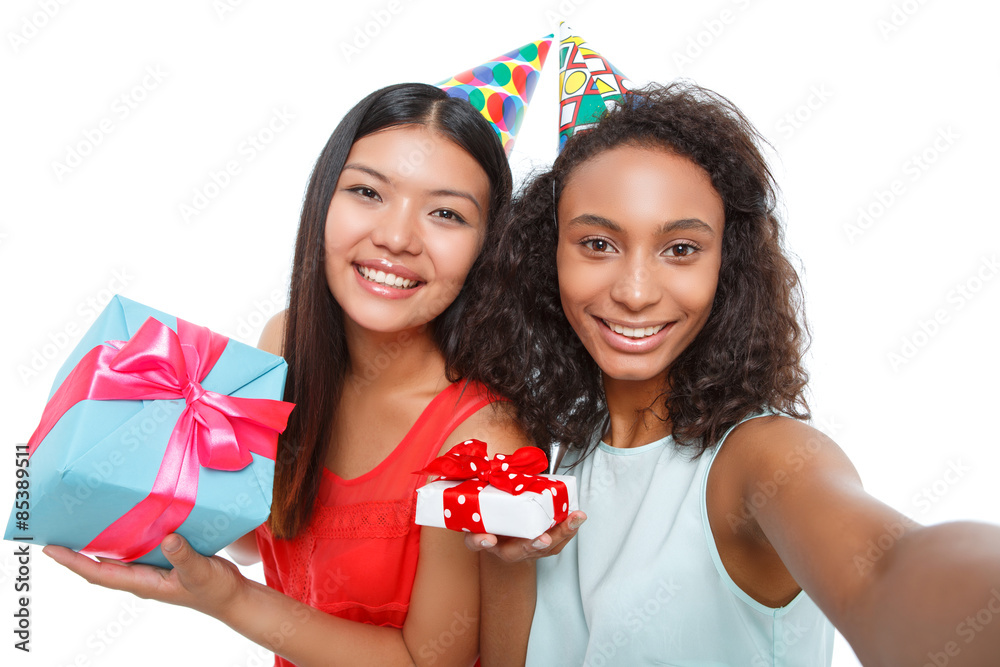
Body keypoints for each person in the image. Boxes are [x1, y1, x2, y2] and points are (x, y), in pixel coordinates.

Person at [464, 81, 1000, 666]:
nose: (635, 292)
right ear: (549, 257)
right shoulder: (561, 462)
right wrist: (505, 557)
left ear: (729, 266)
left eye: (681, 249)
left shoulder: (761, 458)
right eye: (598, 243)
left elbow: (886, 571)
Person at [44, 81, 532, 667]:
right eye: (367, 192)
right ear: (323, 198)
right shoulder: (285, 344)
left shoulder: (481, 439)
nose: (396, 237)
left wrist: (227, 599)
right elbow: (256, 531)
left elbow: (428, 662)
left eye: (446, 213)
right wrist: (142, 446)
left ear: (487, 246)